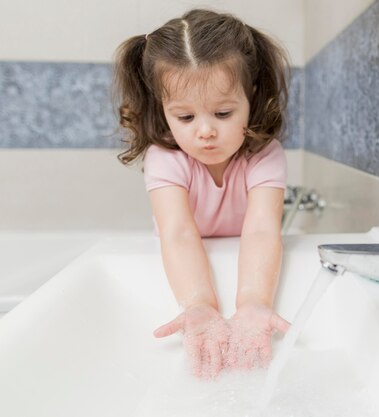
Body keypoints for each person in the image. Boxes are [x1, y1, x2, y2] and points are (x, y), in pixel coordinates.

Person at [112, 9, 291, 379]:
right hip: (188, 258)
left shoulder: (264, 154)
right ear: (162, 109)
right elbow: (177, 232)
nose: (205, 132)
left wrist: (254, 302)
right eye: (186, 118)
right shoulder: (165, 158)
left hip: (236, 249)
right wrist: (199, 304)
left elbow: (261, 230)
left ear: (251, 96)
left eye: (223, 113)